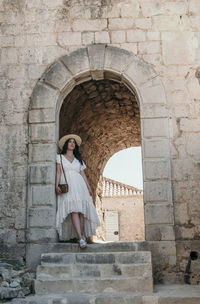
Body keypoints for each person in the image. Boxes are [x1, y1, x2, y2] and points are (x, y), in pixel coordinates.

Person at [55, 134, 100, 248]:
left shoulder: (78, 160)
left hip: (80, 186)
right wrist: (56, 185)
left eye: (74, 142)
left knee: (81, 212)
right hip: (69, 186)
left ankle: (82, 236)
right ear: (66, 145)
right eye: (70, 142)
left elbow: (83, 175)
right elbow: (58, 172)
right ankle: (80, 238)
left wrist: (89, 188)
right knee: (74, 210)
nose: (72, 143)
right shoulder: (59, 157)